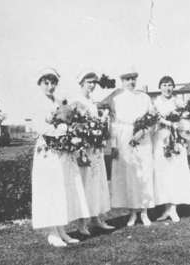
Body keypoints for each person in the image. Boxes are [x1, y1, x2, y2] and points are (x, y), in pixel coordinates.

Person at [31, 68, 89, 247]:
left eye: (53, 82)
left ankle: (61, 229)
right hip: (47, 150)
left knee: (62, 188)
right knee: (50, 188)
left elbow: (68, 119)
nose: (50, 86)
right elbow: (39, 127)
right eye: (46, 83)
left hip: (61, 150)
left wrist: (69, 130)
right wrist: (61, 130)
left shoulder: (59, 101)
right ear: (40, 84)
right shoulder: (37, 102)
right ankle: (52, 232)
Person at [107, 68, 155, 226]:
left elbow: (152, 118)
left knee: (144, 172)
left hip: (143, 138)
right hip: (124, 137)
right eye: (127, 79)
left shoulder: (144, 97)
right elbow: (113, 124)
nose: (131, 82)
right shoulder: (117, 99)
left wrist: (143, 131)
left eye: (133, 78)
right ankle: (133, 213)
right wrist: (114, 145)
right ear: (122, 80)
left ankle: (145, 212)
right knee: (130, 174)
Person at [74, 72, 115, 235]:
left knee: (97, 183)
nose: (92, 85)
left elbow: (95, 123)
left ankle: (97, 218)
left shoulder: (91, 101)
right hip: (84, 148)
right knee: (85, 184)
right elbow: (76, 125)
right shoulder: (76, 101)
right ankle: (82, 222)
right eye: (89, 82)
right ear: (82, 82)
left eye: (93, 83)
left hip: (96, 147)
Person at [152, 76, 190, 222]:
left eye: (170, 85)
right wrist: (167, 122)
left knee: (176, 171)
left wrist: (181, 128)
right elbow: (154, 118)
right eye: (164, 85)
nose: (167, 88)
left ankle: (174, 208)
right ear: (160, 87)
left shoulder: (178, 101)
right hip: (161, 138)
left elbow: (185, 120)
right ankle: (165, 209)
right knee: (163, 172)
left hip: (177, 138)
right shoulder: (155, 103)